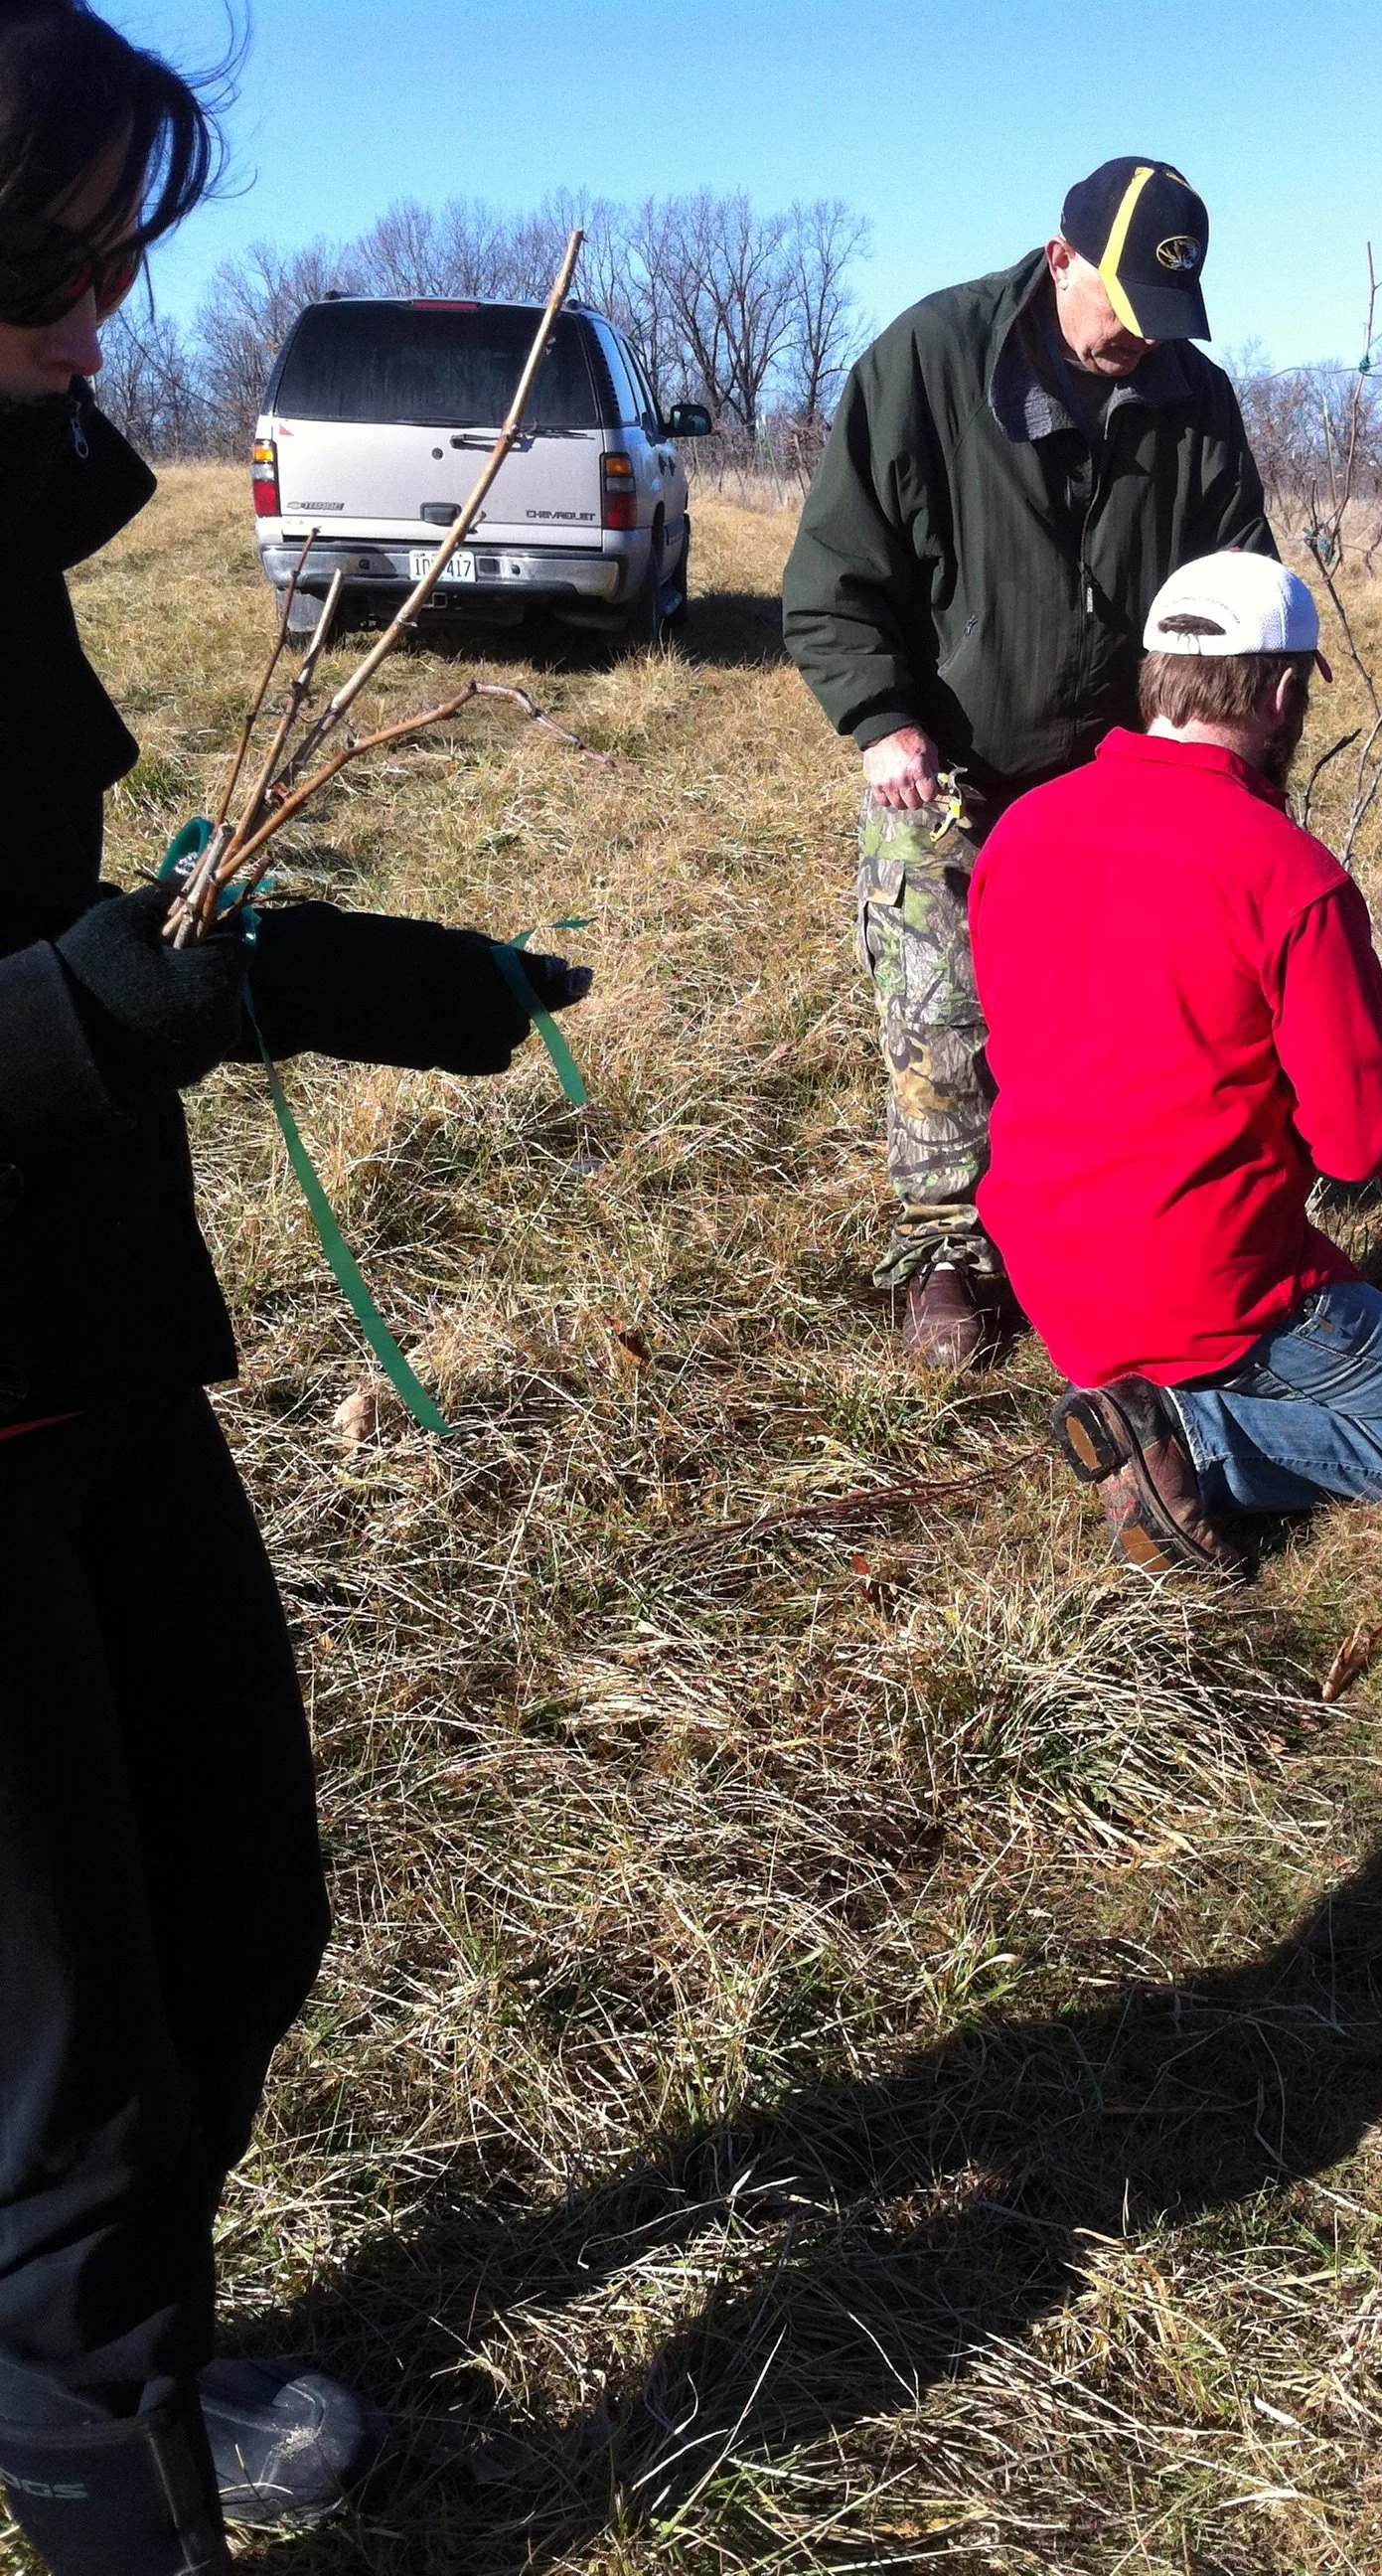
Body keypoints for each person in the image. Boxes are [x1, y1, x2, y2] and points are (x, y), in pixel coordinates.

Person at [0, 9, 587, 2568]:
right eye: (50, 247)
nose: (105, 302)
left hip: (81, 1346)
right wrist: (75, 1018)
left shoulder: (16, 512)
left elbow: (72, 926)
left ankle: (102, 2356)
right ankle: (91, 2438)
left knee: (237, 1903)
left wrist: (329, 974)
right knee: (70, 2113)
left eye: (125, 242)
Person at [783, 157, 1277, 1369]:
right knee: (940, 1009)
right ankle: (948, 1252)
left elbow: (1234, 586)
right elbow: (831, 584)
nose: (1137, 346)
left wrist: (1228, 751)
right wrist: (878, 718)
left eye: (1163, 324)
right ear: (1061, 259)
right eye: (1122, 312)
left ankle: (1091, 1231)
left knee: (1108, 1023)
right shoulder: (926, 362)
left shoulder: (1191, 399)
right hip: (945, 764)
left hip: (1120, 774)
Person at [969, 551, 1382, 1575]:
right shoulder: (1290, 876)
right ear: (1281, 691)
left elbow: (1013, 1042)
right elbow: (1357, 1147)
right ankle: (1191, 1441)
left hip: (1048, 1269)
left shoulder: (1019, 831)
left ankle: (1149, 1409)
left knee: (1377, 1324)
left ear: (1155, 677)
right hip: (1207, 1285)